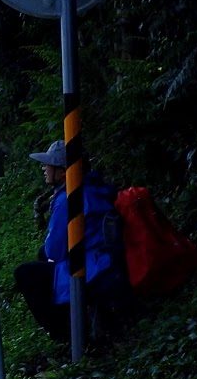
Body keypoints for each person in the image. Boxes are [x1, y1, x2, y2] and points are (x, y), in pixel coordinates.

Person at [13, 139, 124, 344]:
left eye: (48, 165)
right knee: (42, 255)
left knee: (25, 274)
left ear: (64, 172)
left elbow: (54, 251)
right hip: (106, 260)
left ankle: (66, 336)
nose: (44, 168)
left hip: (93, 269)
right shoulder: (95, 187)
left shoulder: (69, 198)